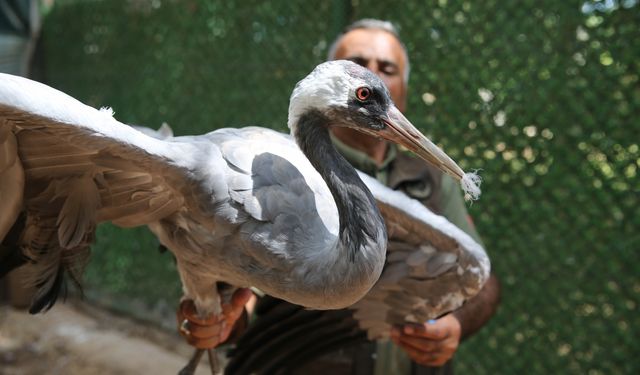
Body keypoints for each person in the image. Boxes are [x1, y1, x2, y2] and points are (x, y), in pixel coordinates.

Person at [179, 19, 500, 375]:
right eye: (359, 66)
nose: (371, 72)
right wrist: (223, 318)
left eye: (387, 69)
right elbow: (243, 278)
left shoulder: (434, 182)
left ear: (401, 91)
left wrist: (454, 325)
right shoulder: (282, 168)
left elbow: (480, 282)